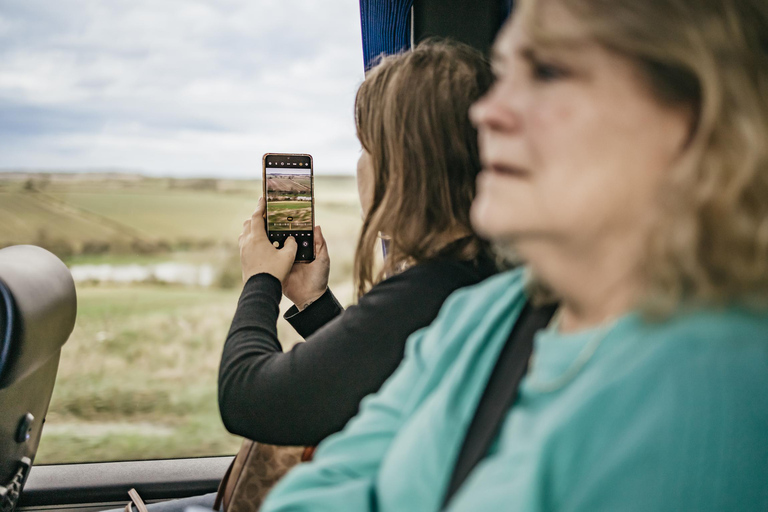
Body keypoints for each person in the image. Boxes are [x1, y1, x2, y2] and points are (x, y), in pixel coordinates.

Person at [260, 0, 768, 511]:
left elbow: (264, 403)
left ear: (692, 118)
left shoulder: (716, 396)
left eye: (549, 72)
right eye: (505, 75)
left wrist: (261, 281)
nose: (489, 112)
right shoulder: (484, 314)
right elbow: (321, 488)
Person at [219, 40, 497, 446]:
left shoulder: (430, 292)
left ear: (401, 168)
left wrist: (260, 281)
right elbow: (374, 370)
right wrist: (312, 303)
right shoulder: (476, 274)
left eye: (366, 146)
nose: (359, 165)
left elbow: (247, 397)